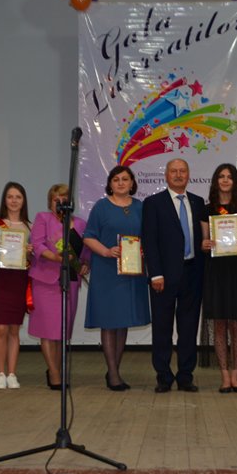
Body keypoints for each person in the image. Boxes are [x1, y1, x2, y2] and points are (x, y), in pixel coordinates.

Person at [83, 166, 151, 391]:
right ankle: (113, 374)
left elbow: (149, 237)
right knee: (109, 322)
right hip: (107, 272)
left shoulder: (141, 207)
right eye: (116, 179)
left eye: (125, 179)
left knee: (123, 322)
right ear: (110, 184)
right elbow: (88, 237)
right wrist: (106, 251)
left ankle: (114, 369)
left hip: (132, 272)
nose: (121, 183)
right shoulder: (101, 207)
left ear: (132, 183)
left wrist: (145, 250)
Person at [142, 158, 206, 393]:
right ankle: (164, 375)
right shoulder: (153, 203)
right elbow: (149, 240)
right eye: (174, 171)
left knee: (189, 328)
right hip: (164, 276)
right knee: (162, 327)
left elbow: (203, 238)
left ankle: (186, 375)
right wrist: (155, 274)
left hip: (193, 273)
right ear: (166, 175)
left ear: (188, 175)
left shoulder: (198, 202)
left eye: (182, 171)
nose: (178, 175)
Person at [199, 163, 237, 393]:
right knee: (219, 324)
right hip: (215, 271)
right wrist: (205, 244)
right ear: (216, 182)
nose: (225, 180)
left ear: (236, 182)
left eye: (229, 177)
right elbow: (204, 243)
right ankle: (224, 376)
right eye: (221, 177)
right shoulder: (207, 210)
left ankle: (236, 375)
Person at [28, 184, 90, 390]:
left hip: (70, 280)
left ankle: (58, 369)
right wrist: (55, 257)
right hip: (46, 281)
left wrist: (85, 265)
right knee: (48, 330)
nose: (60, 202)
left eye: (64, 199)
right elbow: (37, 245)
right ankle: (54, 374)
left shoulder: (80, 223)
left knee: (62, 330)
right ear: (50, 203)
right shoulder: (42, 218)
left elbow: (86, 251)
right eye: (56, 199)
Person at [0, 182, 32, 390]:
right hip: (0, 279)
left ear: (23, 201)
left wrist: (30, 252)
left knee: (14, 329)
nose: (14, 200)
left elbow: (32, 260)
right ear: (4, 200)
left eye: (18, 197)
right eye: (10, 196)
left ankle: (12, 373)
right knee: (1, 328)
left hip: (19, 280)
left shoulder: (29, 226)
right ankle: (0, 373)